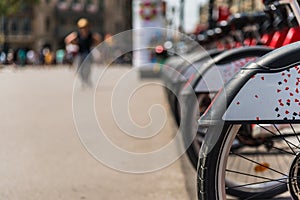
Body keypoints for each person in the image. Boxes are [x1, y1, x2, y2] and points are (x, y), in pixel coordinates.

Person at [65, 18, 101, 87]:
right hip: (80, 54)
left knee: (87, 69)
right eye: (81, 28)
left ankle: (87, 80)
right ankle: (83, 81)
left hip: (88, 54)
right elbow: (67, 39)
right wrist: (74, 42)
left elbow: (98, 39)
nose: (83, 29)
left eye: (85, 27)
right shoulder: (77, 35)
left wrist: (95, 42)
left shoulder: (90, 35)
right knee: (79, 69)